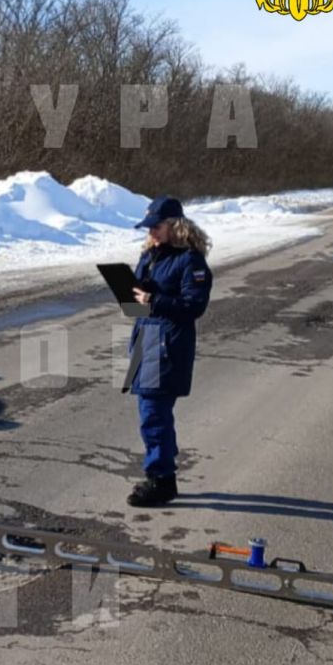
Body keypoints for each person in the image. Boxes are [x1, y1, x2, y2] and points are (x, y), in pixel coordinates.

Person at [122, 196, 213, 507]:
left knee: (154, 415)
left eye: (156, 226)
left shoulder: (190, 261)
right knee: (152, 414)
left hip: (168, 347)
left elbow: (194, 305)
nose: (152, 233)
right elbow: (138, 305)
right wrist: (130, 293)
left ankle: (161, 479)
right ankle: (163, 472)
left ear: (175, 226)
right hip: (144, 341)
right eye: (149, 228)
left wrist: (154, 301)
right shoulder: (149, 256)